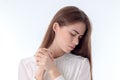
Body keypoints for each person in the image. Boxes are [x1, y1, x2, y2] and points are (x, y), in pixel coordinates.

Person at [18, 6, 92, 80]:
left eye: (80, 37)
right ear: (56, 27)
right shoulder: (26, 65)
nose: (76, 42)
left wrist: (52, 70)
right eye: (72, 34)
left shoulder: (81, 64)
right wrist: (39, 75)